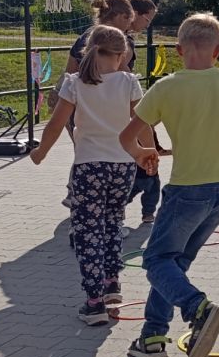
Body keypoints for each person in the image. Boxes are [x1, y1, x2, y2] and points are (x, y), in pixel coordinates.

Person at [120, 12, 219, 357]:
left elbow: (126, 137)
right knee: (174, 262)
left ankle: (197, 308)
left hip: (187, 187)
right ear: (218, 50)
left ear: (179, 50)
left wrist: (143, 153)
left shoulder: (165, 87)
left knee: (156, 260)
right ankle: (152, 337)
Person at [30, 25, 143, 325]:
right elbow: (141, 121)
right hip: (123, 165)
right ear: (122, 55)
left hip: (89, 166)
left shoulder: (75, 83)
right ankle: (111, 283)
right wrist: (145, 152)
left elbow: (56, 124)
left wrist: (41, 152)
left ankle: (94, 303)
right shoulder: (130, 82)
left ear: (88, 50)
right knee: (113, 222)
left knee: (88, 231)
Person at [66, 0, 136, 75]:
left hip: (83, 82)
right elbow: (121, 71)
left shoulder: (84, 36)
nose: (129, 25)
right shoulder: (119, 40)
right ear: (122, 16)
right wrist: (132, 80)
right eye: (130, 20)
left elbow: (69, 71)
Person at [127, 0, 157, 71]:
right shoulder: (124, 40)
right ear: (135, 14)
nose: (148, 25)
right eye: (147, 20)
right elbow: (121, 68)